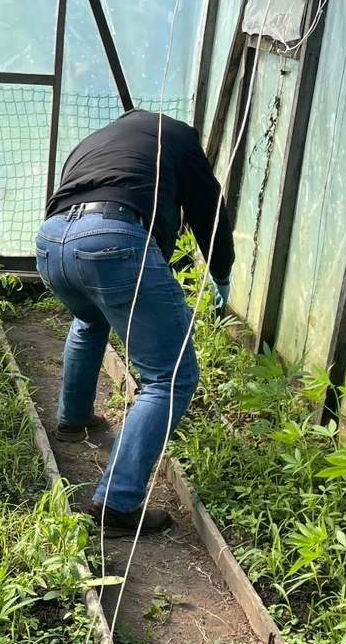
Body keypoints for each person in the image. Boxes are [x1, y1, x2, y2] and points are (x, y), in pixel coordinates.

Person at [35, 109, 233, 536]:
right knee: (170, 377)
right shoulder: (179, 137)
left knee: (89, 319)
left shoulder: (98, 138)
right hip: (114, 239)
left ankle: (74, 419)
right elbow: (209, 209)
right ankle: (116, 505)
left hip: (51, 243)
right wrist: (222, 272)